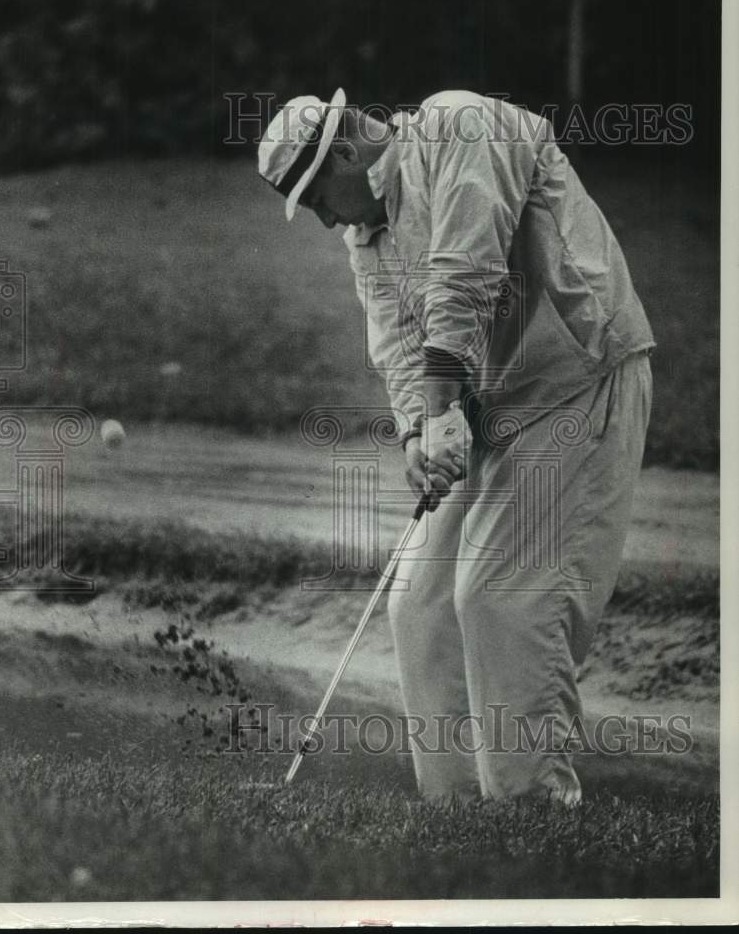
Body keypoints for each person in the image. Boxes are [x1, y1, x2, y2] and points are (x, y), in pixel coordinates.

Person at [258, 88, 655, 805]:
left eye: (318, 197)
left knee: (501, 597)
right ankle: (456, 819)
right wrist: (418, 427)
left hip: (576, 379)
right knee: (419, 600)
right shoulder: (368, 236)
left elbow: (465, 271)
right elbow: (399, 345)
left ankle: (530, 816)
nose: (325, 220)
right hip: (486, 406)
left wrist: (441, 408)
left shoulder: (460, 126)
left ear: (346, 150)